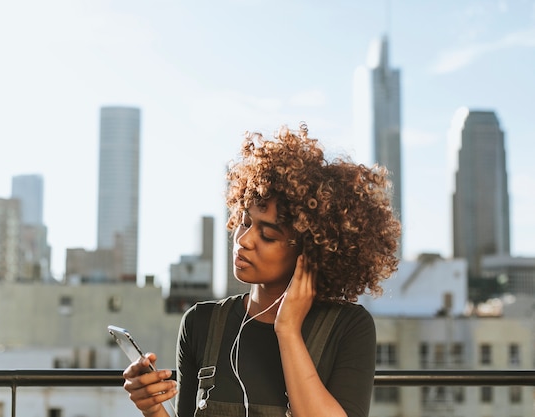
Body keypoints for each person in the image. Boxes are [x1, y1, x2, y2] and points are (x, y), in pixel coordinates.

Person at [124, 123, 401, 417]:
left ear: (310, 250)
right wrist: (152, 408)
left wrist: (288, 330)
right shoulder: (200, 323)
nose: (243, 240)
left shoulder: (347, 327)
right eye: (244, 222)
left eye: (268, 235)